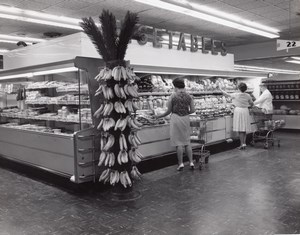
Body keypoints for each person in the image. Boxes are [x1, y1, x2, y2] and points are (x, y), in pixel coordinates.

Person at [155, 77, 195, 171]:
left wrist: (159, 116)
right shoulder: (189, 96)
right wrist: (185, 113)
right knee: (187, 142)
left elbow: (168, 111)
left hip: (176, 118)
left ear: (175, 86)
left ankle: (181, 164)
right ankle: (191, 162)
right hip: (185, 119)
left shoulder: (173, 96)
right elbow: (193, 110)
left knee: (178, 143)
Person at [220, 82, 253, 150]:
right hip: (245, 111)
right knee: (244, 128)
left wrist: (221, 89)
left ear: (238, 88)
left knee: (240, 129)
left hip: (238, 111)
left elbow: (226, 94)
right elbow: (252, 104)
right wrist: (247, 106)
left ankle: (241, 144)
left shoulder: (236, 95)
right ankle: (244, 143)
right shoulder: (248, 95)